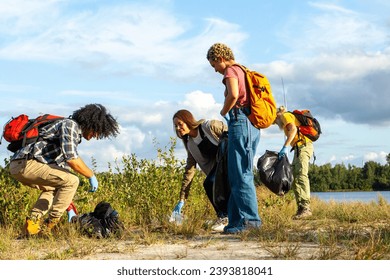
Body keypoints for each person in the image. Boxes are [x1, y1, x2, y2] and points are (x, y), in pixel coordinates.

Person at [9, 104, 119, 237]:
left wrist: (69, 208)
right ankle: (48, 227)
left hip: (21, 164)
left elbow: (63, 175)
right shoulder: (70, 125)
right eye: (96, 131)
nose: (96, 136)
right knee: (73, 180)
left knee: (52, 188)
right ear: (90, 123)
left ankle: (31, 226)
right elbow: (72, 159)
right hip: (26, 164)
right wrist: (91, 175)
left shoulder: (71, 133)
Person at [206, 43, 261, 234]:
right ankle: (236, 222)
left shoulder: (230, 71)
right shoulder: (243, 70)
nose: (215, 70)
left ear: (220, 58)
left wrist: (223, 110)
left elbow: (234, 95)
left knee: (241, 174)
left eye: (214, 65)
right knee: (236, 173)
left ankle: (250, 222)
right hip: (250, 124)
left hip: (241, 121)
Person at [171, 109, 229, 231]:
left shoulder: (209, 126)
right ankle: (224, 217)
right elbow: (189, 171)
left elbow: (231, 134)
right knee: (210, 183)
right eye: (175, 126)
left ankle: (225, 218)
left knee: (210, 182)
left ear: (188, 121)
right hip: (218, 169)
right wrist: (182, 199)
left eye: (180, 124)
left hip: (230, 162)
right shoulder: (190, 144)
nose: (178, 128)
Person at [274, 106, 314, 219]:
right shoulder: (283, 119)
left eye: (274, 121)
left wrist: (285, 146)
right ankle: (301, 208)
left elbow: (293, 130)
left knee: (301, 175)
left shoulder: (285, 116)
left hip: (303, 146)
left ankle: (306, 208)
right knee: (295, 177)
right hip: (298, 148)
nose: (275, 124)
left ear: (277, 115)